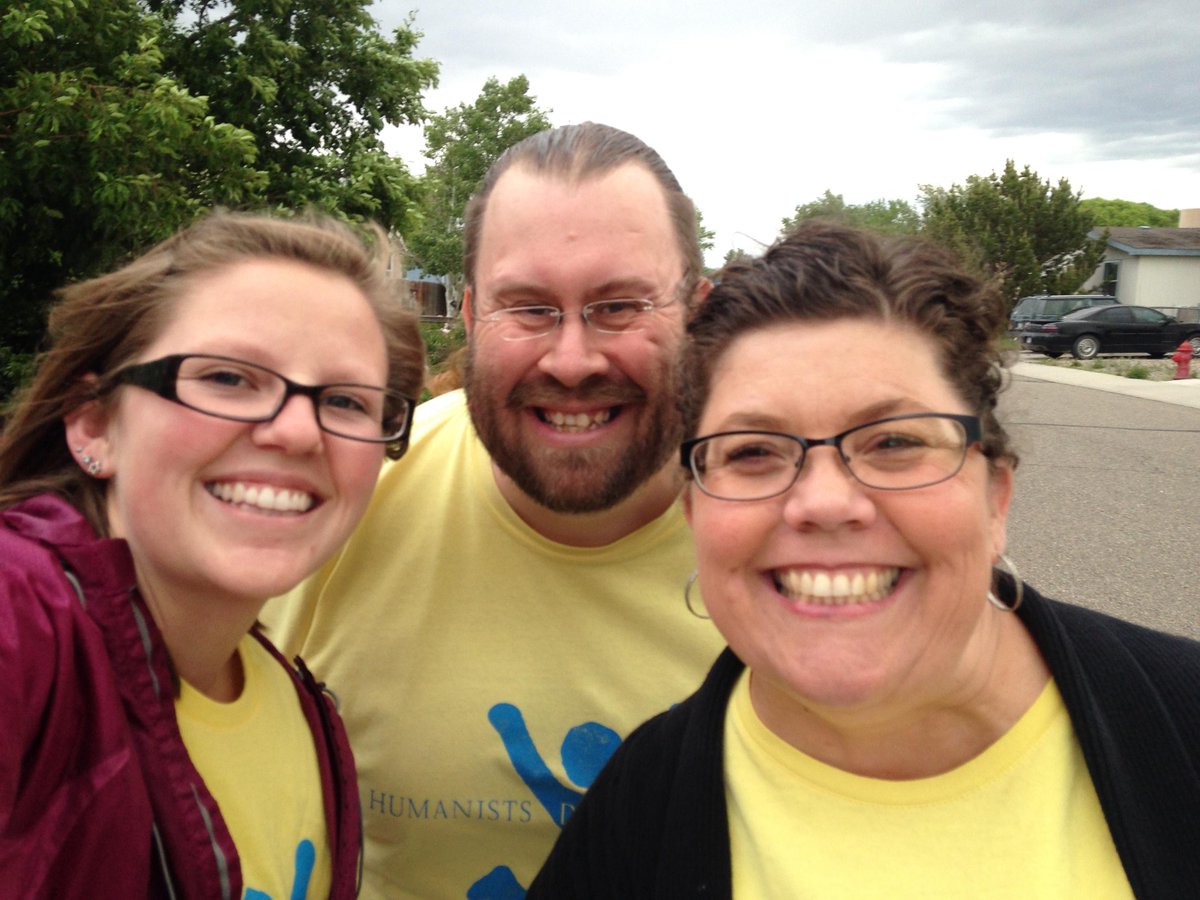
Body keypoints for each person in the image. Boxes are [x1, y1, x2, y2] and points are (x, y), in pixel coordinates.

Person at [529, 222, 1200, 898]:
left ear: (995, 496)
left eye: (895, 441)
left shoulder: (1182, 722)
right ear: (695, 514)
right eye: (753, 451)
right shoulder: (631, 821)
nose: (823, 502)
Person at [262, 123, 725, 898]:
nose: (572, 359)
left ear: (697, 313)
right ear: (471, 315)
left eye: (618, 306)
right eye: (529, 307)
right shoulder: (351, 491)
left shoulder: (791, 536)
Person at [0, 211, 425, 898]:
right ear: (95, 423)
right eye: (229, 378)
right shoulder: (21, 618)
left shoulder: (299, 708)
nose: (295, 432)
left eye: (346, 400)